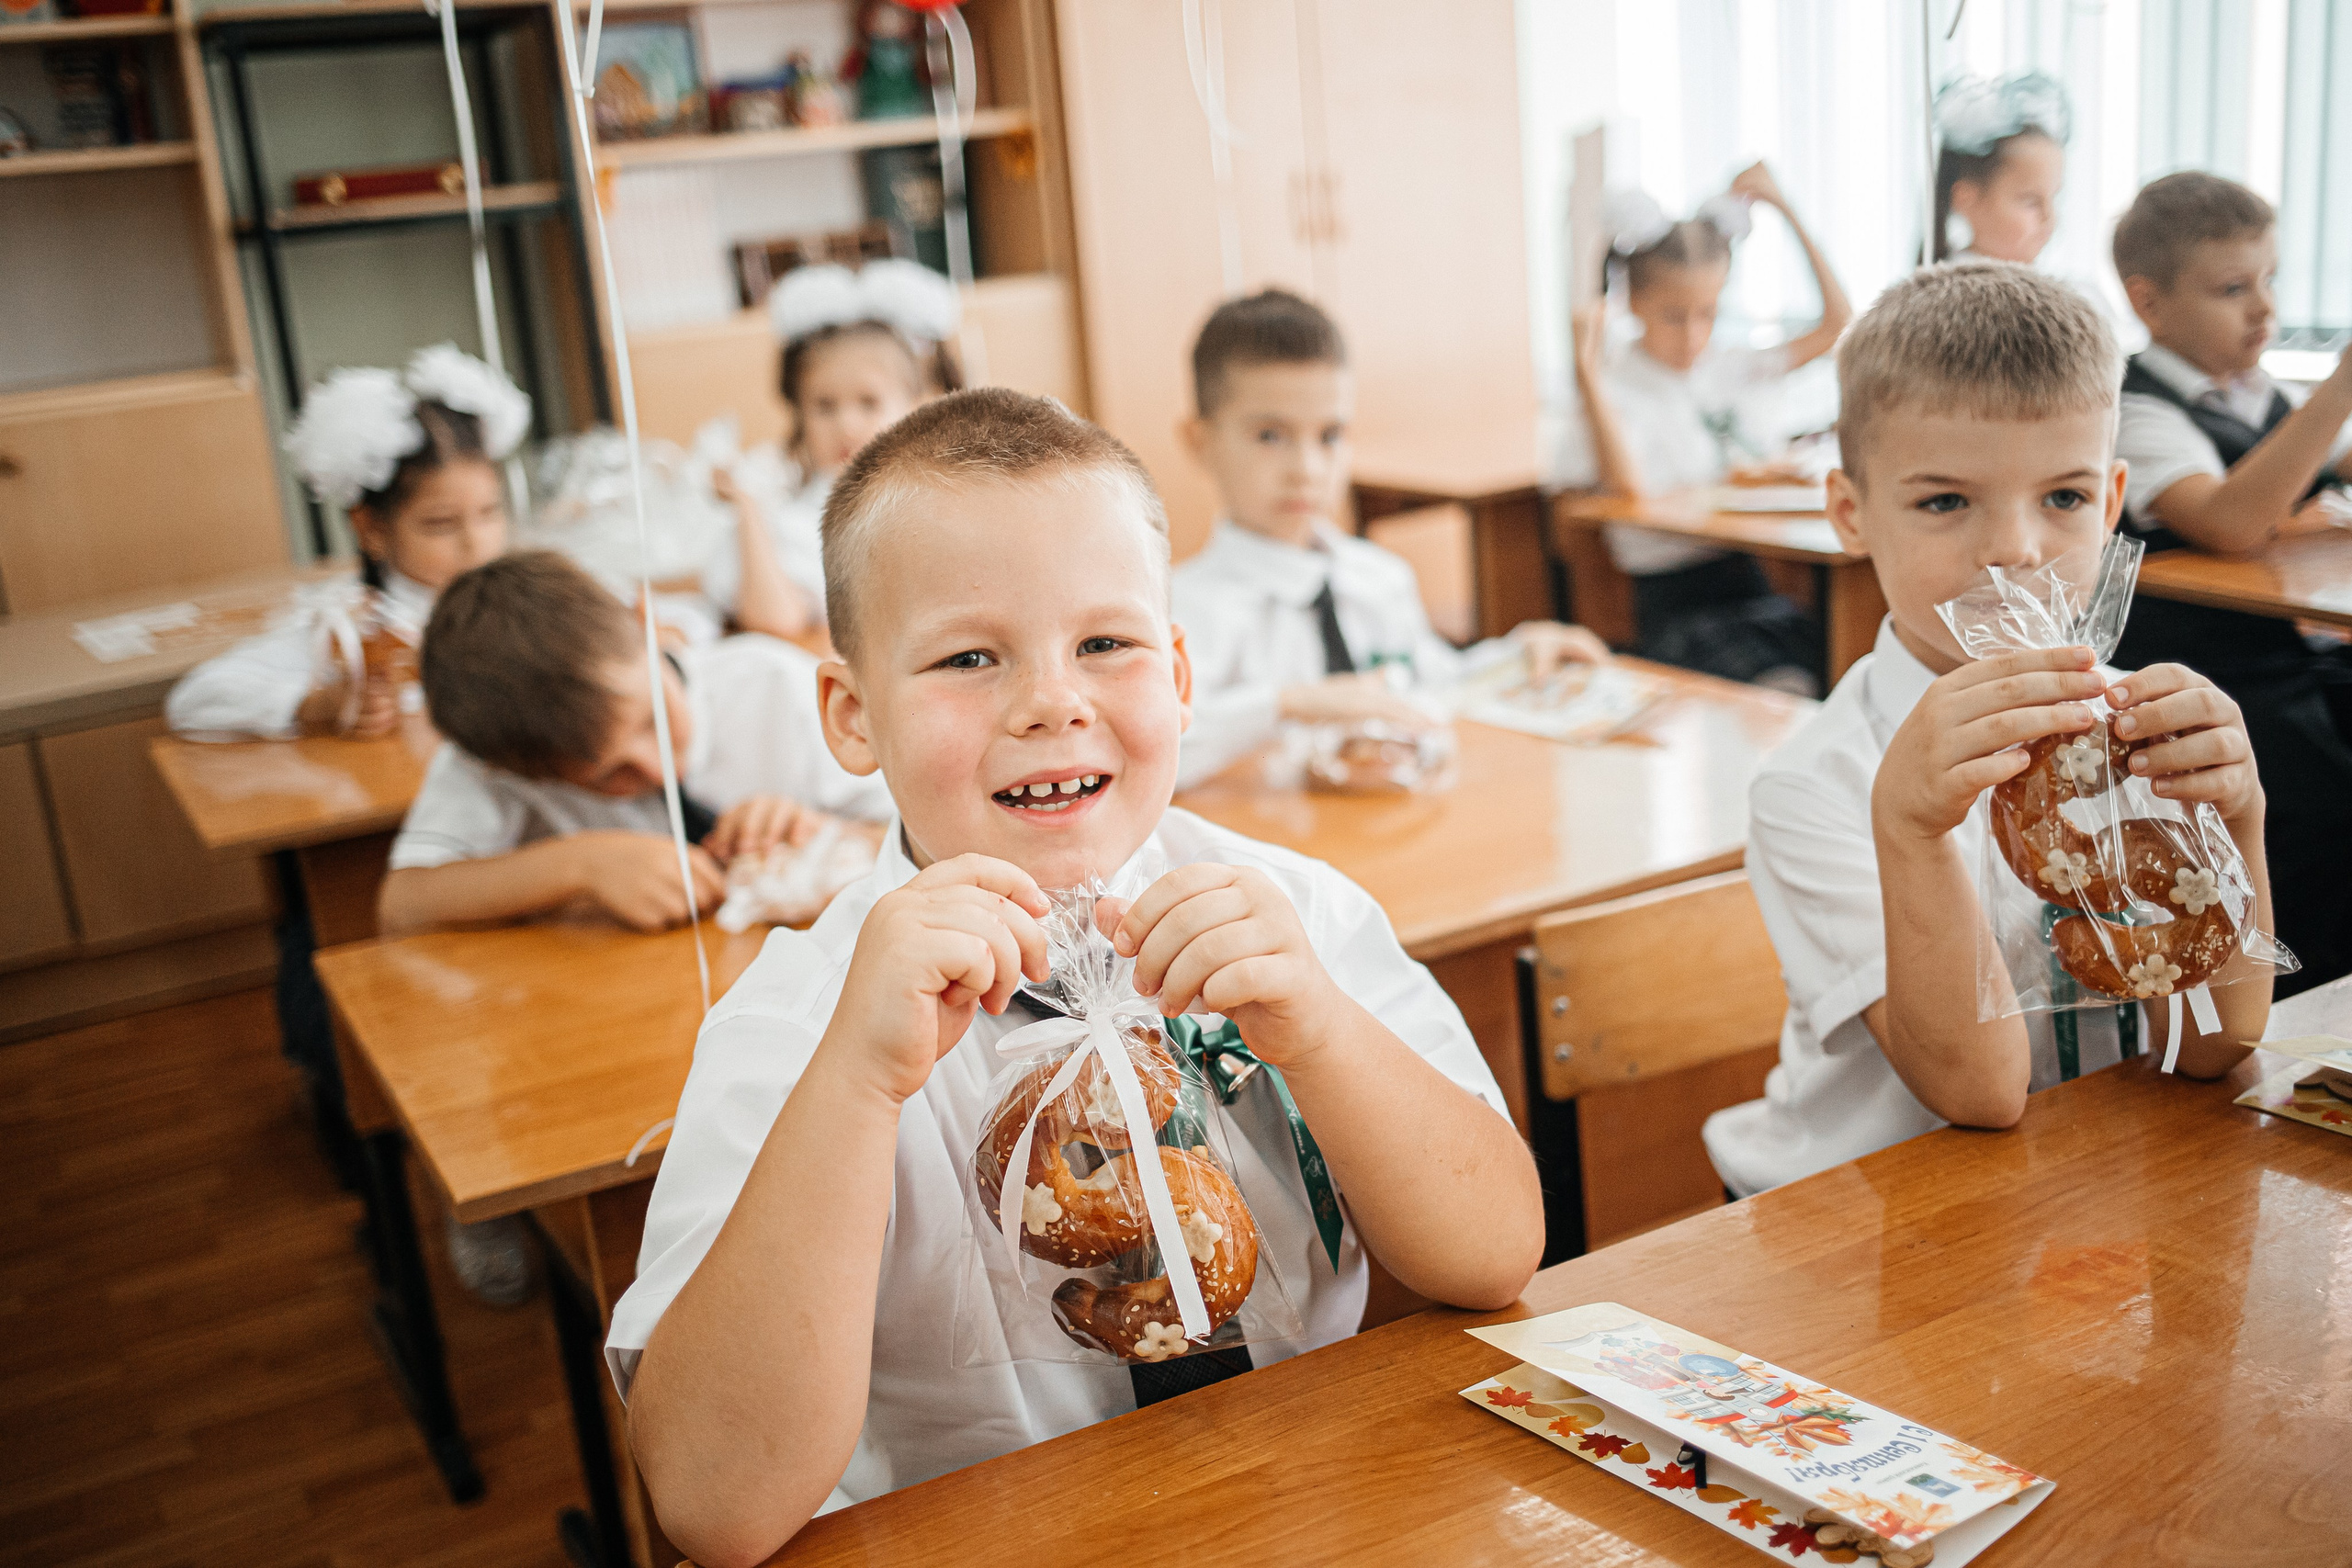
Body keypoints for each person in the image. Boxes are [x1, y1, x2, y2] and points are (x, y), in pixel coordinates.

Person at [607, 389, 1542, 1565]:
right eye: (967, 657)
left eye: (1105, 643)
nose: (1053, 701)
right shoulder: (799, 1023)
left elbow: (1497, 1251)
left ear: (1180, 674)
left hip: (1329, 1501)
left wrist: (1319, 1029)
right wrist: (852, 1087)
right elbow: (710, 1505)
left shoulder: (1294, 915)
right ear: (851, 716)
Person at [1703, 263, 2272, 1198]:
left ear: (2113, 497)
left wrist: (2237, 818)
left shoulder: (2138, 728)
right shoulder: (1822, 782)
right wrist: (1911, 830)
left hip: (2090, 1195)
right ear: (1851, 512)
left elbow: (2217, 1046)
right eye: (1943, 501)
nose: (2013, 547)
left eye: (2063, 498)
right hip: (1868, 1220)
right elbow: (1978, 1092)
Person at [1171, 288, 1607, 786]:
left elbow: (1431, 683)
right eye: (1270, 435)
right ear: (1200, 443)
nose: (1306, 469)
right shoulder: (1180, 611)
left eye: (1329, 436)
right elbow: (1156, 750)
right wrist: (1289, 703)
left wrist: (1518, 652)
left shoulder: (1377, 577)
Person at [377, 550, 894, 938]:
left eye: (651, 720)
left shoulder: (775, 683)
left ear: (648, 623)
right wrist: (581, 865)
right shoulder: (491, 757)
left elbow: (937, 834)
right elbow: (401, 906)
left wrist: (832, 839)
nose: (656, 766)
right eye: (606, 776)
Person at [2109, 171, 2352, 993]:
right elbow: (2231, 519)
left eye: (2270, 282)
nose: (2263, 309)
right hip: (2202, 682)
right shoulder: (2136, 409)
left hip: (2291, 658)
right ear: (2149, 303)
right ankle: (2301, 983)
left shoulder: (2262, 395)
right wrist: (2342, 384)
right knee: (2322, 788)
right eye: (2232, 288)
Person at [1559, 163, 1851, 694]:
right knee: (1787, 687)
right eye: (1674, 315)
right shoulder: (1616, 386)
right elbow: (1629, 489)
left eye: (1709, 313)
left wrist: (1786, 210)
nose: (1693, 334)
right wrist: (1588, 374)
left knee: (1850, 659)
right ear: (1633, 302)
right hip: (1675, 603)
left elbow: (1837, 326)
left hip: (1754, 582)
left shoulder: (1730, 367)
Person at [165, 345, 526, 739]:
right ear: (371, 529)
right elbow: (192, 701)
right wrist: (316, 705)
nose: (476, 543)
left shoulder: (528, 605)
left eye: (490, 513)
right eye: (441, 525)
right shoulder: (351, 627)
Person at [704, 258, 962, 640]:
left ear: (914, 404)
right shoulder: (801, 519)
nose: (846, 426)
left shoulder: (946, 496)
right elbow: (778, 619)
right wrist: (747, 507)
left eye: (868, 403)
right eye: (824, 406)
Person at [1928, 72, 2070, 266]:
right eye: (2031, 201)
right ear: (1966, 199)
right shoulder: (1957, 291)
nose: (2049, 216)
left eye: (2054, 197)